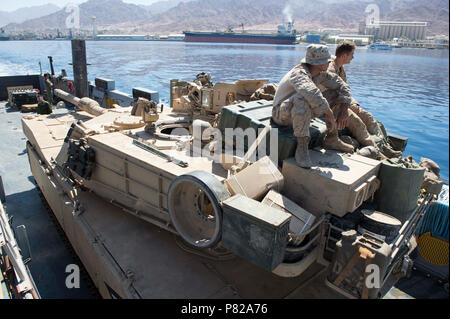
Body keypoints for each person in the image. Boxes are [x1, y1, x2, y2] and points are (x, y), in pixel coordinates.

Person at [272, 44, 354, 168]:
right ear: (320, 63)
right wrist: (329, 112)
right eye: (327, 61)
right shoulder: (298, 73)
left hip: (299, 111)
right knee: (302, 98)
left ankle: (332, 137)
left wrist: (344, 109)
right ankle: (302, 148)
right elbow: (310, 92)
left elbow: (343, 86)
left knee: (337, 94)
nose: (329, 63)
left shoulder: (320, 73)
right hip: (281, 114)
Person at [327, 40, 402, 158]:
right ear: (344, 55)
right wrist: (346, 109)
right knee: (357, 122)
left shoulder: (341, 69)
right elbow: (333, 94)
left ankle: (384, 146)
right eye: (352, 54)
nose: (353, 57)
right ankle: (378, 153)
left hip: (342, 103)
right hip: (332, 105)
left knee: (368, 117)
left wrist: (353, 104)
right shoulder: (330, 69)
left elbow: (345, 91)